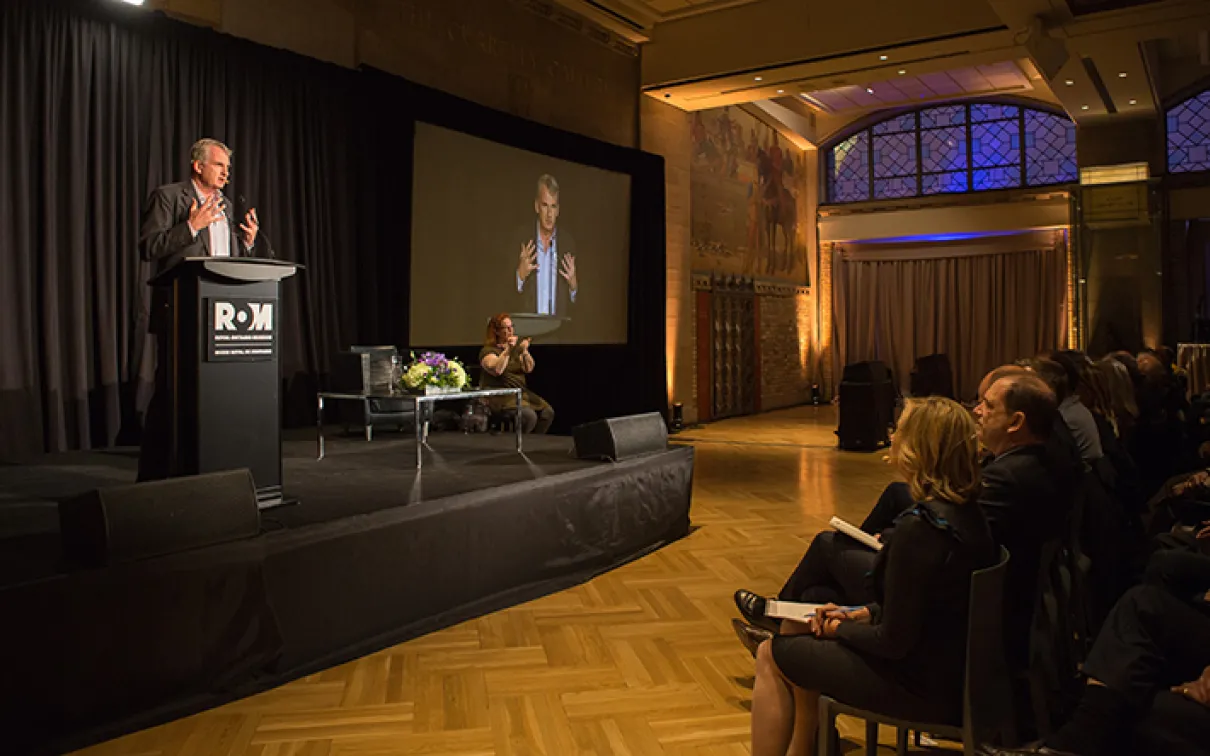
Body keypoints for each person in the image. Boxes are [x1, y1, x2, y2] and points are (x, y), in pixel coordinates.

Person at [750, 397, 997, 756]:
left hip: (920, 686)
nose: (892, 435)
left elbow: (893, 641)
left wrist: (840, 628)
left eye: (900, 429)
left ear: (918, 446)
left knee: (769, 654)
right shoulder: (966, 512)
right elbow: (923, 604)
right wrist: (858, 613)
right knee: (797, 624)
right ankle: (803, 748)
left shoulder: (921, 529)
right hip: (950, 669)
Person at [136, 138, 265, 481]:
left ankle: (208, 467)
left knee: (216, 396)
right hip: (181, 311)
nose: (226, 173)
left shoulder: (224, 205)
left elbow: (226, 261)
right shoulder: (169, 197)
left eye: (228, 168)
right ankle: (154, 477)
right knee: (172, 393)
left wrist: (247, 244)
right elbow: (149, 247)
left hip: (222, 316)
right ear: (198, 166)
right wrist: (191, 226)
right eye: (220, 165)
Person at [478, 313, 554, 434]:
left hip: (519, 393)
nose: (510, 330)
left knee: (547, 412)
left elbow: (528, 368)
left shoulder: (516, 349)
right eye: (506, 328)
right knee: (529, 416)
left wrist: (524, 351)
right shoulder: (488, 351)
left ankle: (535, 442)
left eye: (511, 326)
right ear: (497, 332)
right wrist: (508, 349)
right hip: (500, 395)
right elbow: (497, 370)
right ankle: (518, 445)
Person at [514, 174, 577, 317]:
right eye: (545, 205)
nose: (549, 214)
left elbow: (579, 305)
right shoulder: (521, 239)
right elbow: (503, 296)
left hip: (558, 333)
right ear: (536, 206)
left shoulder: (568, 243)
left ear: (558, 210)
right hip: (529, 334)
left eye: (553, 206)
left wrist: (573, 287)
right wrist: (520, 277)